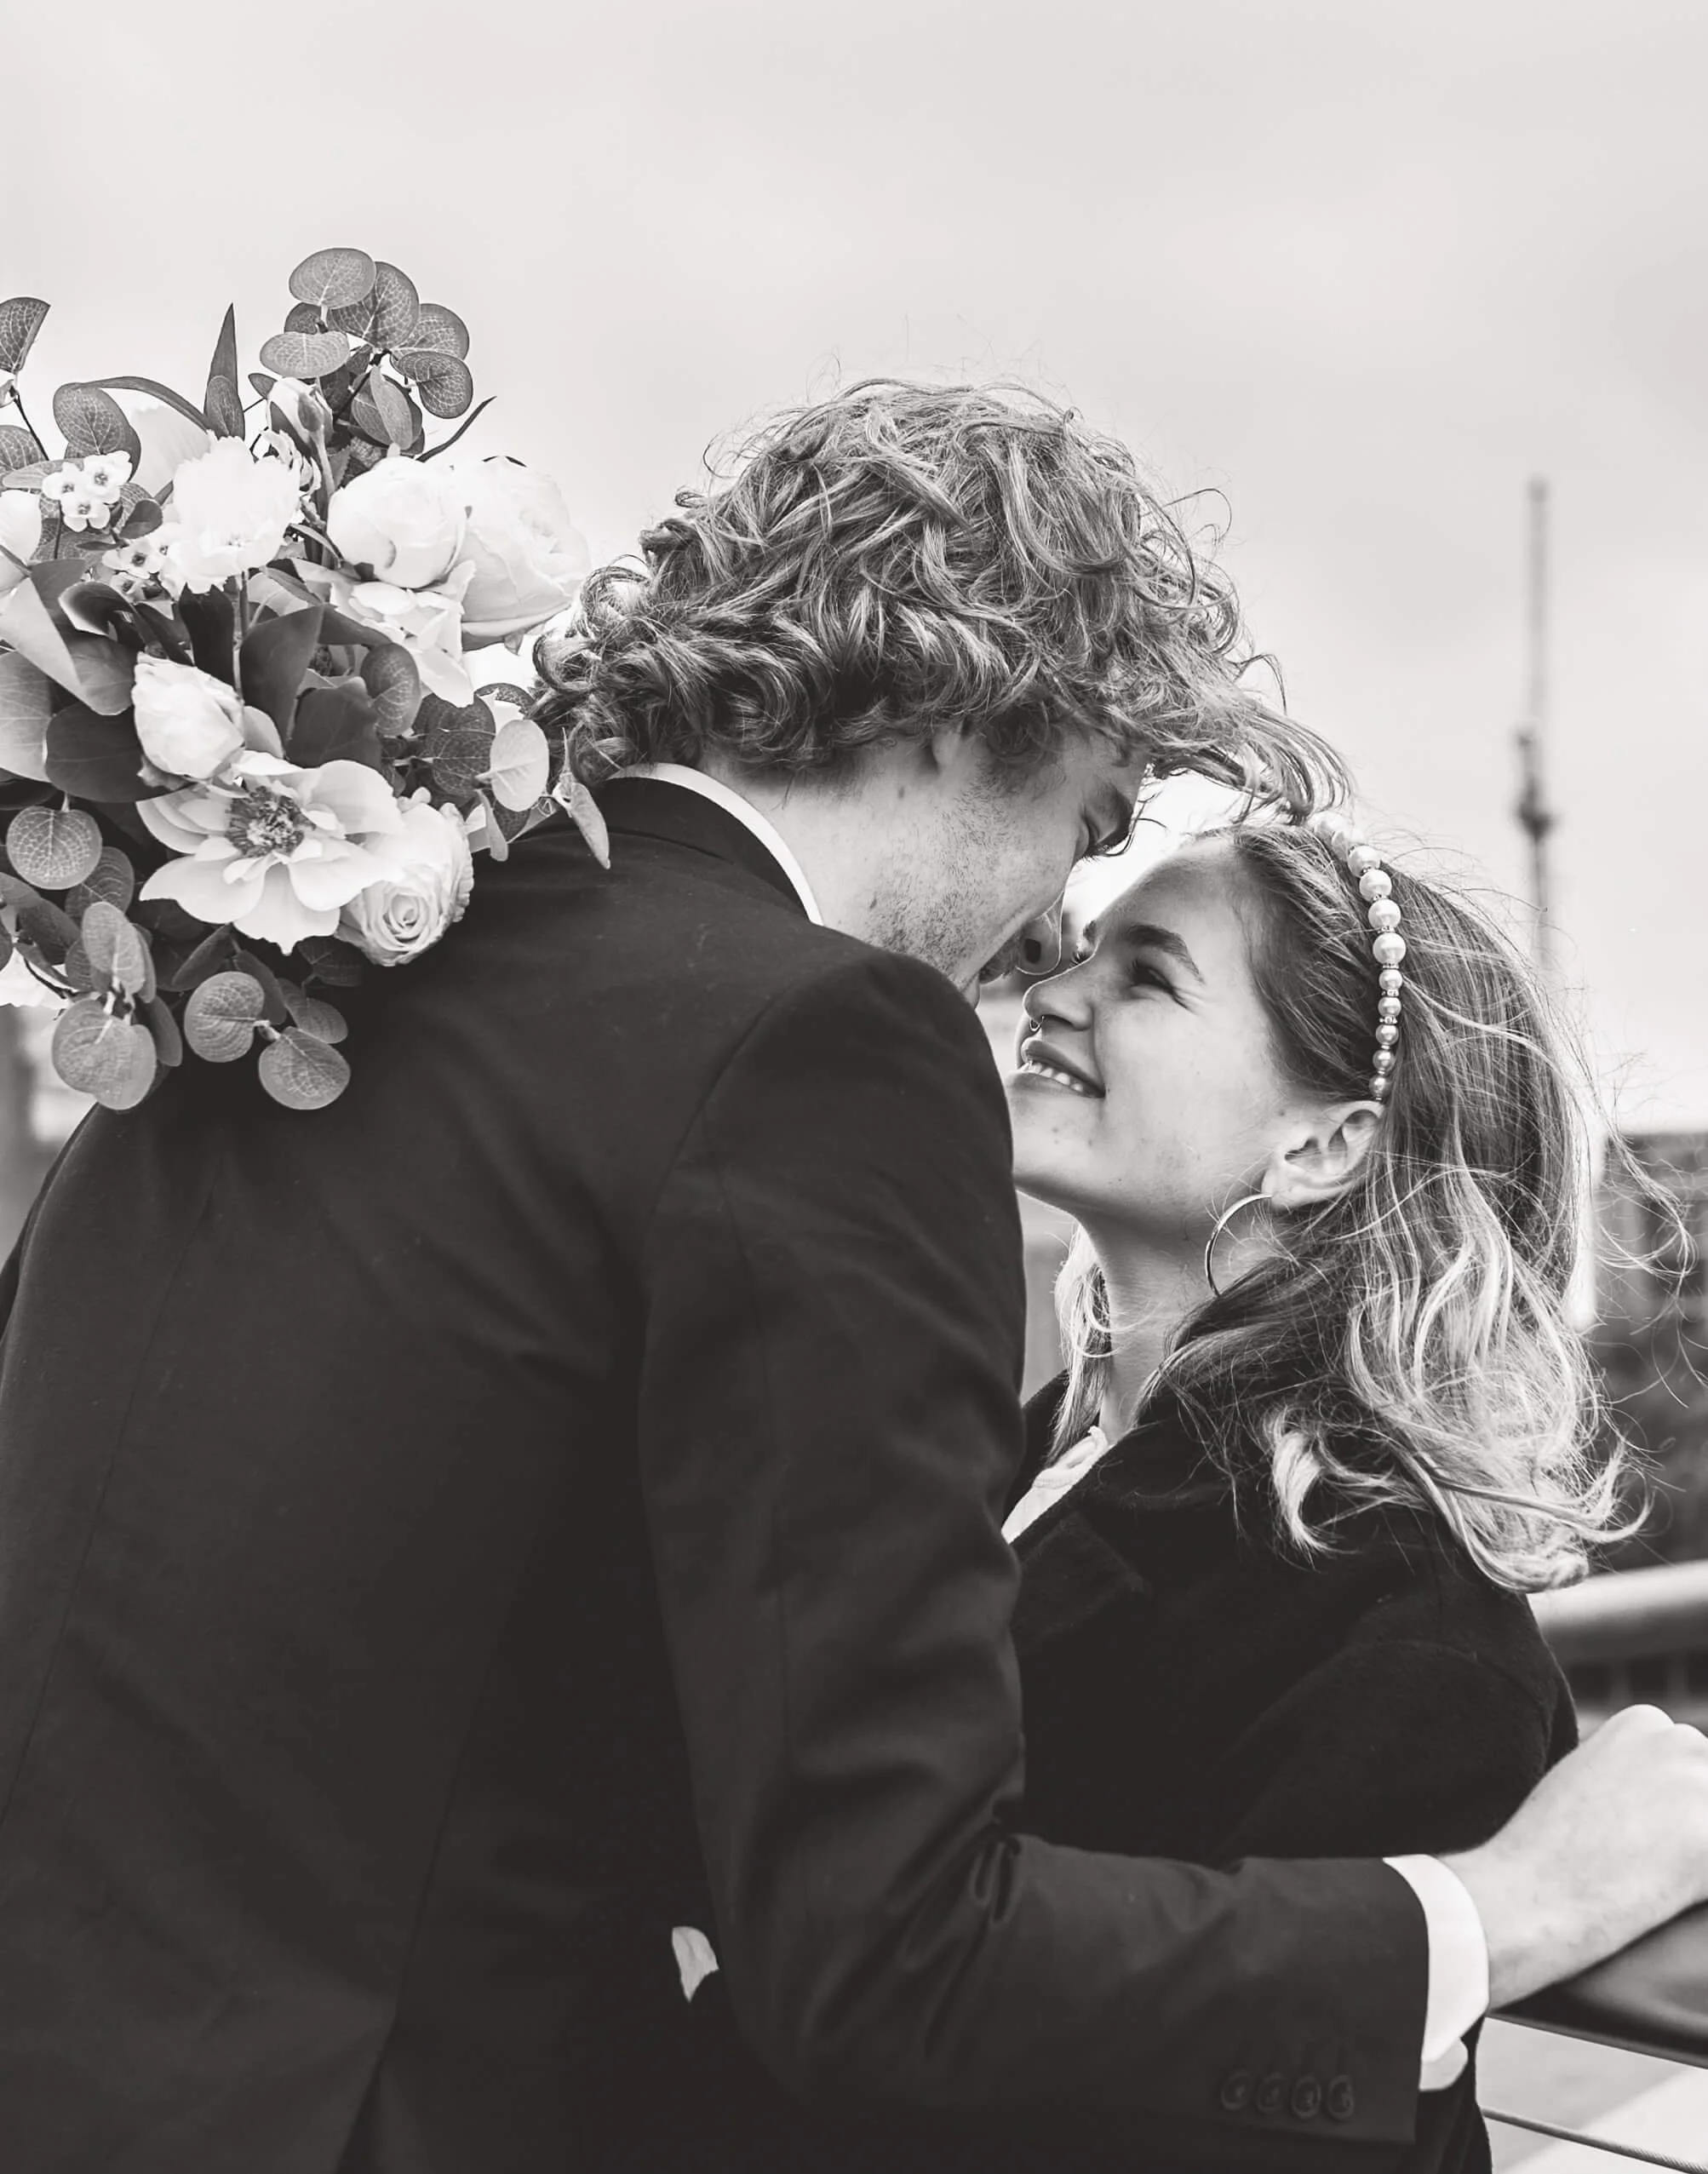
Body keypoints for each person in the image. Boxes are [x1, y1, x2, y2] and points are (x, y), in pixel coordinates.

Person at [0, 382, 1705, 2174]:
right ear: (985, 714)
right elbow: (889, 1955)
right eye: (1092, 817)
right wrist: (1490, 1916)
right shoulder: (809, 1045)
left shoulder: (284, 962)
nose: (1049, 920)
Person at [997, 817, 1656, 2171]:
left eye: (1145, 974)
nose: (1051, 992)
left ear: (1321, 1146)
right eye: (1078, 951)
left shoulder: (1392, 1616)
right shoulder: (993, 1456)